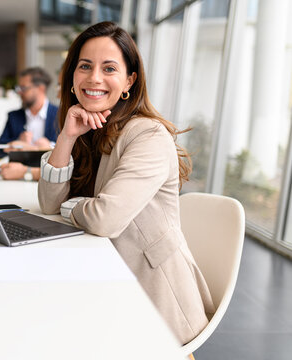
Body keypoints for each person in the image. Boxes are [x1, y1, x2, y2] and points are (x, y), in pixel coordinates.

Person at [38, 21, 215, 345]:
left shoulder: (148, 135)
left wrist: (72, 205)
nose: (94, 78)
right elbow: (48, 204)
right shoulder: (87, 127)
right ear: (72, 77)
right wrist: (66, 137)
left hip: (154, 303)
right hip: (104, 282)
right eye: (85, 66)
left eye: (109, 68)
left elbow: (104, 219)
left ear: (129, 81)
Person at [0, 67, 58, 180]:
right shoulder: (14, 116)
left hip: (48, 178)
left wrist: (49, 146)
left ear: (40, 88)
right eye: (19, 88)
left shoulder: (60, 115)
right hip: (14, 179)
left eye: (23, 88)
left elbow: (71, 152)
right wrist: (18, 142)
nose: (19, 92)